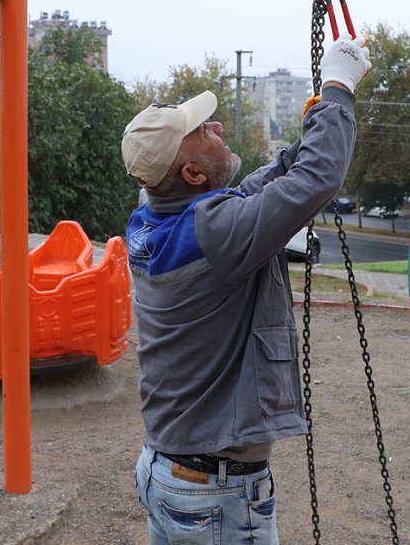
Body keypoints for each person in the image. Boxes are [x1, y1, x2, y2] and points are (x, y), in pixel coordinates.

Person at [122, 34, 371, 543]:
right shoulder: (216, 231)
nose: (215, 125)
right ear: (193, 172)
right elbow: (317, 178)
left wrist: (318, 121)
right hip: (216, 492)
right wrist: (340, 87)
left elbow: (262, 185)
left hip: (168, 469)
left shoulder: (149, 222)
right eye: (202, 130)